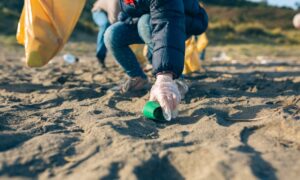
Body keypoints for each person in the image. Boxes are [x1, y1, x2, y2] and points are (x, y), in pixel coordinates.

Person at [104, 0, 208, 120]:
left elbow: (166, 22)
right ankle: (137, 78)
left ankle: (176, 80)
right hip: (149, 18)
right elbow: (130, 12)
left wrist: (165, 79)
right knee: (112, 34)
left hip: (181, 19)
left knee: (145, 23)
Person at [91, 0, 120, 68]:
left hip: (111, 13)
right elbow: (113, 20)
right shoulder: (115, 1)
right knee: (105, 25)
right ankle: (100, 56)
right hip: (98, 11)